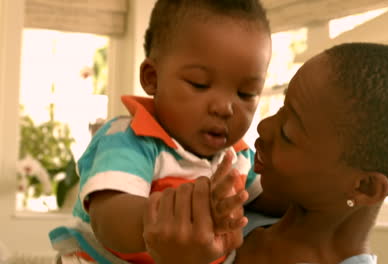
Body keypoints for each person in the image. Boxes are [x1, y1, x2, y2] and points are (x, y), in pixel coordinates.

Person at [141, 43, 388, 264]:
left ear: (364, 187)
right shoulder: (242, 217)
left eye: (289, 133)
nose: (264, 127)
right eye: (281, 109)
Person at [49, 0, 283, 263]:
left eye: (246, 93)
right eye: (200, 84)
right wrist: (194, 214)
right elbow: (110, 221)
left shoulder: (236, 157)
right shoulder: (130, 138)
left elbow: (273, 200)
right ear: (152, 78)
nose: (225, 107)